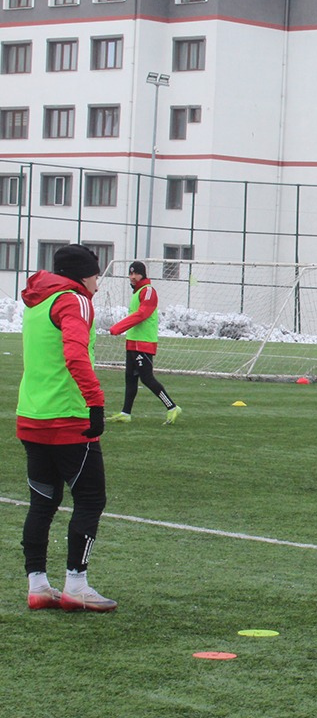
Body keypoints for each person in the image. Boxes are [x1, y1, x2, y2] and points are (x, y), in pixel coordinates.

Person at [17, 244, 117, 612]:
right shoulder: (74, 300)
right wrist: (95, 402)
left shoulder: (35, 302)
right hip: (69, 418)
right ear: (82, 275)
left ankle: (38, 585)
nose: (97, 284)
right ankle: (77, 584)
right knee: (90, 500)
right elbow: (74, 354)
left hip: (32, 416)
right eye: (95, 276)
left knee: (42, 503)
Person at [105, 261, 181, 425]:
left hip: (143, 343)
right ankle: (126, 413)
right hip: (133, 342)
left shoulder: (148, 291)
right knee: (130, 379)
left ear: (143, 274)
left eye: (136, 274)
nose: (133, 277)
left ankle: (172, 407)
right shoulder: (138, 291)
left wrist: (118, 327)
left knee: (147, 378)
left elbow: (142, 314)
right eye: (130, 273)